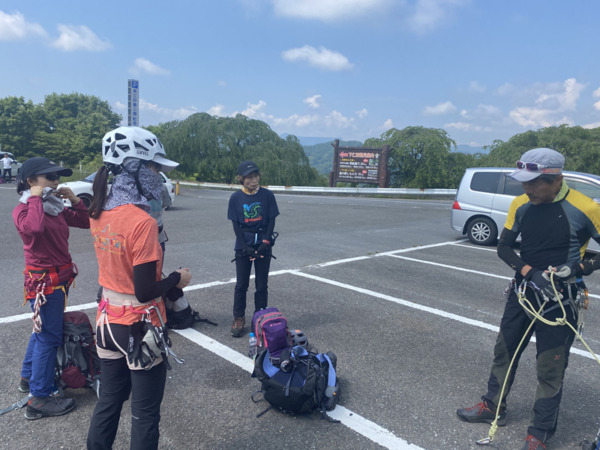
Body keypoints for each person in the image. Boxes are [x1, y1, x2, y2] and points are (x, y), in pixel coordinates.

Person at [456, 148, 600, 450]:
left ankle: (539, 434)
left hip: (561, 301)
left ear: (557, 178)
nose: (527, 189)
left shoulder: (585, 208)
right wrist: (528, 272)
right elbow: (504, 246)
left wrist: (578, 267)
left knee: (550, 367)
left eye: (535, 183)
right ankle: (492, 406)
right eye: (524, 182)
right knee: (504, 352)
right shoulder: (521, 204)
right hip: (524, 294)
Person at [86, 126, 191, 450]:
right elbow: (146, 290)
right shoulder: (140, 222)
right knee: (145, 415)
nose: (158, 177)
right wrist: (176, 278)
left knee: (109, 402)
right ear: (134, 167)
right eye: (154, 168)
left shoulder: (98, 211)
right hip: (139, 326)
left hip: (106, 322)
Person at [13, 157, 90, 419]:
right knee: (48, 338)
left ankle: (28, 378)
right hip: (44, 285)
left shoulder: (54, 206)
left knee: (41, 333)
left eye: (57, 177)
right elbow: (34, 228)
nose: (56, 181)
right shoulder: (25, 210)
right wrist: (35, 196)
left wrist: (76, 200)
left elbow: (87, 222)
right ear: (31, 181)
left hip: (59, 282)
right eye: (49, 177)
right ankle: (40, 398)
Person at [227, 160, 279, 337]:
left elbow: (272, 220)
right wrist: (243, 246)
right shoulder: (235, 198)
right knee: (241, 284)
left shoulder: (267, 195)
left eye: (255, 176)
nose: (253, 180)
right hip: (244, 243)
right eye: (249, 177)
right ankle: (238, 317)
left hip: (263, 241)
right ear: (241, 179)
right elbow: (235, 225)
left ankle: (260, 317)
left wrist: (265, 242)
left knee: (262, 284)